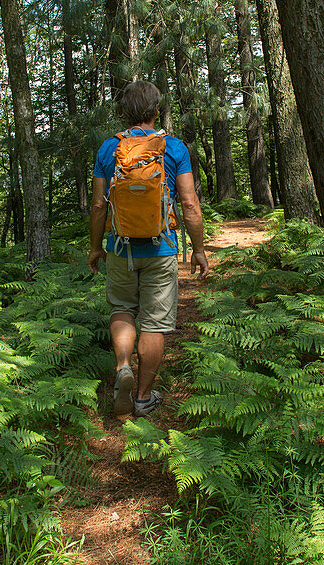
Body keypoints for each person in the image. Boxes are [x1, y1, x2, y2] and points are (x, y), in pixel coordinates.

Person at [88, 81, 209, 416]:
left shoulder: (107, 149)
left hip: (119, 247)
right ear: (156, 110)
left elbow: (99, 206)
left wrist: (96, 248)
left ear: (125, 112)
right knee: (155, 324)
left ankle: (123, 366)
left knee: (122, 309)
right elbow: (189, 202)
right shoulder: (175, 148)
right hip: (162, 248)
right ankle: (142, 397)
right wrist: (198, 250)